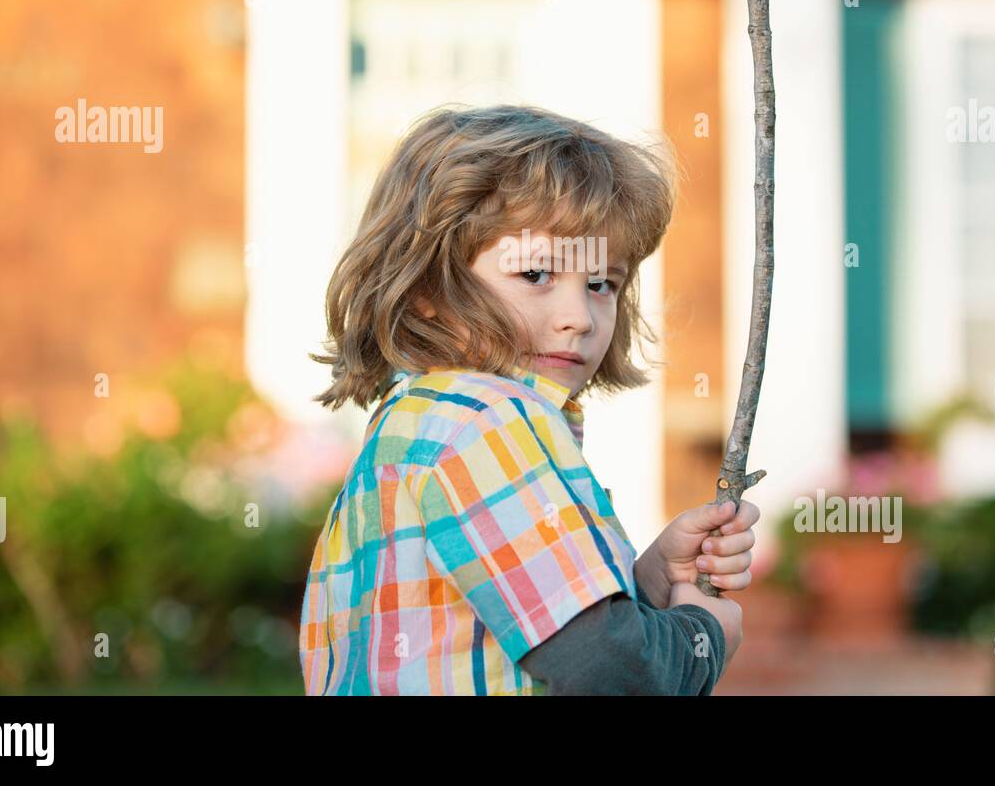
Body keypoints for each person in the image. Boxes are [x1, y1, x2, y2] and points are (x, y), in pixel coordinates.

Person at [300, 103, 759, 695]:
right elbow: (603, 668)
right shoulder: (487, 422)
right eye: (537, 275)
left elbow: (497, 631)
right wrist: (702, 637)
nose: (578, 318)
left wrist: (645, 581)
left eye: (601, 284)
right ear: (426, 288)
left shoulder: (418, 421)